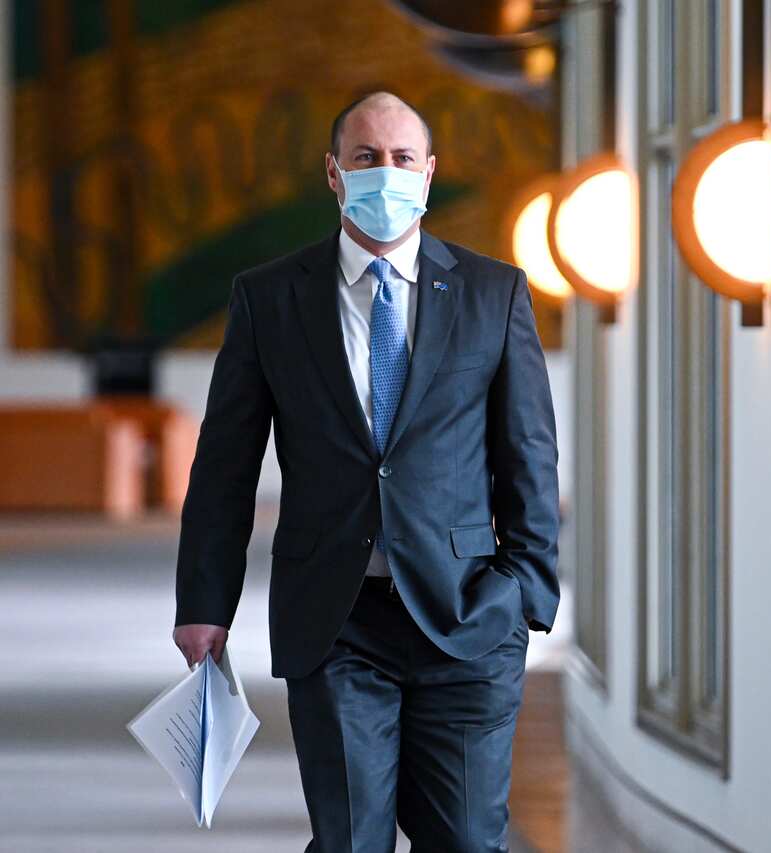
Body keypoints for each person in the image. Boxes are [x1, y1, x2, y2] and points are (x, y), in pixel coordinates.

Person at [171, 90, 560, 852]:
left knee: (470, 839)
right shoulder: (269, 298)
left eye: (402, 159)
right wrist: (203, 602)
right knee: (351, 839)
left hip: (467, 615)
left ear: (429, 170)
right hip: (335, 620)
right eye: (366, 158)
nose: (387, 173)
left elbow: (530, 456)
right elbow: (225, 465)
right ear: (333, 172)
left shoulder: (492, 292)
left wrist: (525, 594)